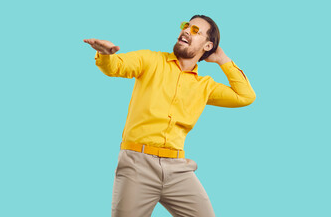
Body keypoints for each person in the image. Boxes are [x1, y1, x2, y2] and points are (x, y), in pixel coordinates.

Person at [83, 15, 256, 217]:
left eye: (195, 31)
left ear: (208, 46)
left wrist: (222, 59)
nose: (185, 31)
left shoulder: (205, 86)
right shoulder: (151, 60)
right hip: (137, 165)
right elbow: (115, 66)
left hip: (178, 170)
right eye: (186, 26)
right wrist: (105, 55)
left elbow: (245, 96)